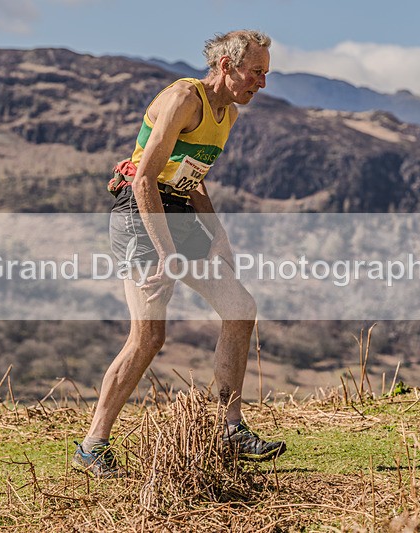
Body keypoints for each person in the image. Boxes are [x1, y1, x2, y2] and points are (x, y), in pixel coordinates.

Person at [73, 30, 286, 477]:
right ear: (226, 66)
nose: (262, 83)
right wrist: (168, 255)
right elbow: (144, 180)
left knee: (240, 307)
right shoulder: (185, 99)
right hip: (141, 214)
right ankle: (93, 445)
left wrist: (218, 236)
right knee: (148, 336)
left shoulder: (227, 113)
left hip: (180, 211)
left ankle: (230, 430)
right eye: (256, 72)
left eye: (266, 73)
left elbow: (193, 178)